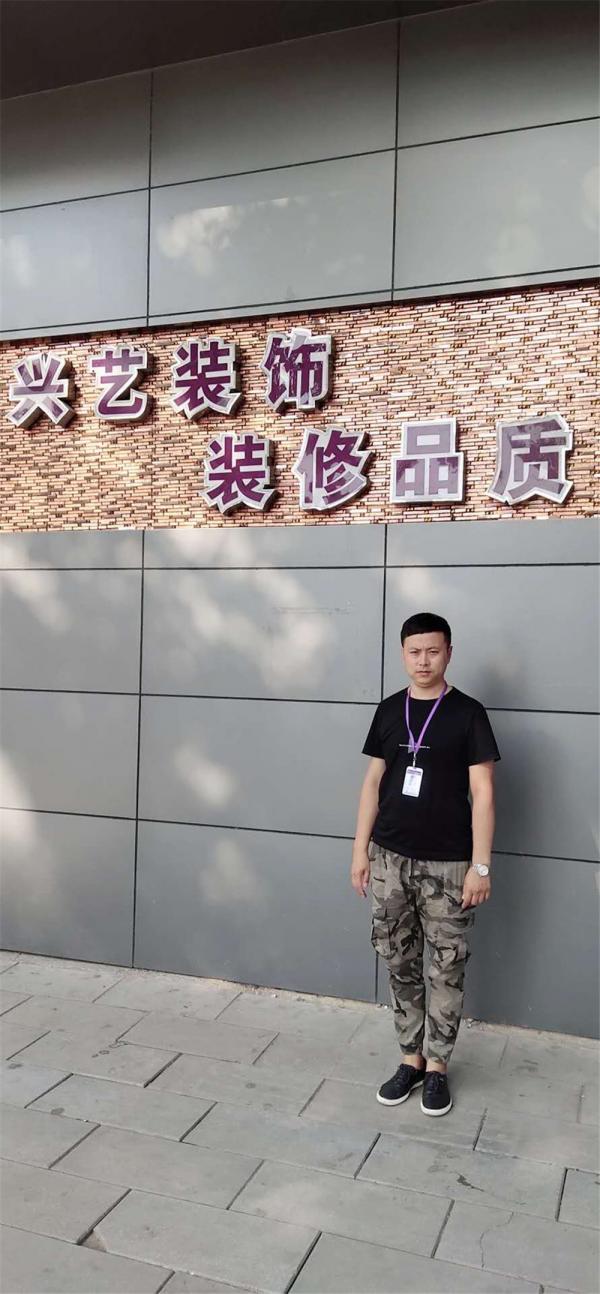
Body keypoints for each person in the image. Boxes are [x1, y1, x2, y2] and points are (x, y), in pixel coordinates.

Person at [351, 611, 500, 1116]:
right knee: (398, 961)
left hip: (450, 865)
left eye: (433, 651)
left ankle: (437, 1067)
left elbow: (483, 793)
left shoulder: (469, 714)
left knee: (446, 967)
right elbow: (373, 783)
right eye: (414, 652)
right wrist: (360, 850)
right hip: (389, 858)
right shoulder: (389, 710)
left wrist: (481, 866)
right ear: (403, 654)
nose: (423, 661)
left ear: (449, 653)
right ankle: (409, 1059)